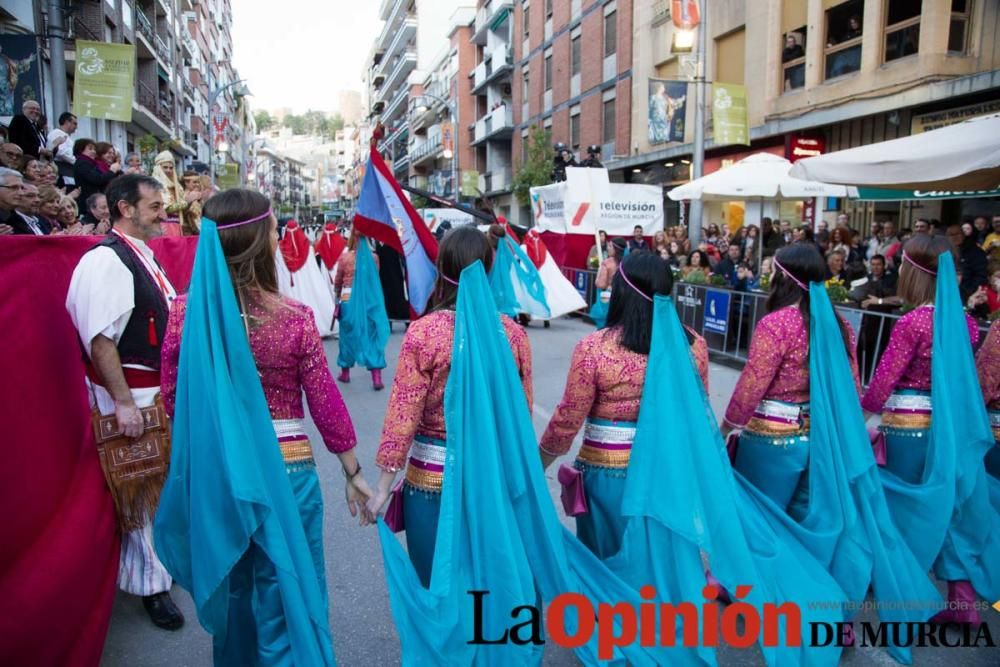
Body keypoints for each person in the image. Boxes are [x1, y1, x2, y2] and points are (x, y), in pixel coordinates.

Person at [158, 189, 369, 663]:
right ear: (259, 241)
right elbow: (325, 404)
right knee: (288, 591)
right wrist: (353, 473)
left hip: (220, 476)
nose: (278, 238)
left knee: (234, 587)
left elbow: (175, 402)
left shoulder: (185, 315)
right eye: (274, 230)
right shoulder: (294, 319)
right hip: (288, 476)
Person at [725, 243, 939, 659]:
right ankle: (827, 615)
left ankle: (768, 600)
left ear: (783, 278)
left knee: (762, 522)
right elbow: (851, 387)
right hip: (821, 444)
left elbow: (752, 385)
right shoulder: (841, 325)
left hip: (771, 439)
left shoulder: (776, 324)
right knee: (813, 526)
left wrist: (726, 427)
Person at [367, 226, 533, 586]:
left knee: (437, 587)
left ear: (441, 267)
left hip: (431, 481)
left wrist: (382, 487)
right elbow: (522, 416)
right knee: (485, 586)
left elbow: (403, 414)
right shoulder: (513, 335)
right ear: (489, 267)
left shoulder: (424, 333)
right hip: (493, 479)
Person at [64, 173, 184, 630]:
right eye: (154, 207)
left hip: (152, 390)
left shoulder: (138, 256)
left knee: (157, 487)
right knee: (139, 491)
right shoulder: (107, 262)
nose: (162, 214)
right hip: (133, 393)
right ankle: (150, 587)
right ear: (125, 210)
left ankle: (162, 571)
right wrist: (124, 404)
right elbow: (100, 342)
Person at [861, 234, 999, 625]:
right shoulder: (967, 324)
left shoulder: (911, 322)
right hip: (947, 431)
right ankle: (963, 600)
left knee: (899, 507)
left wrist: (857, 420)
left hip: (907, 428)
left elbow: (884, 381)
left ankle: (901, 585)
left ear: (914, 273)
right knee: (948, 506)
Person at [539, 252, 709, 558]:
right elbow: (698, 412)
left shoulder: (595, 347)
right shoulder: (694, 345)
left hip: (608, 476)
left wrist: (537, 465)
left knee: (609, 562)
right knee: (658, 563)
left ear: (621, 291)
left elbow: (568, 419)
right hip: (669, 472)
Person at [334, 231, 389, 390]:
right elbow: (374, 279)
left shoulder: (344, 258)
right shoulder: (373, 258)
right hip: (369, 301)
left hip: (348, 298)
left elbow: (338, 281)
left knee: (347, 335)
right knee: (372, 336)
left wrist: (337, 298)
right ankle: (376, 377)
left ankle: (345, 372)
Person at [945, 222, 988, 296]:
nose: (955, 237)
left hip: (967, 294)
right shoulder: (943, 252)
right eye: (951, 235)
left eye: (957, 234)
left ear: (963, 235)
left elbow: (981, 276)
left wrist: (967, 291)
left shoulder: (976, 252)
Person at [151, 151, 187, 237]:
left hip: (176, 225)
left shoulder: (177, 186)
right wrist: (185, 203)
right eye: (165, 167)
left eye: (171, 168)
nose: (168, 170)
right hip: (163, 225)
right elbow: (165, 208)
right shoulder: (154, 185)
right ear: (159, 168)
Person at [73, 138, 121, 203]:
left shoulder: (90, 163)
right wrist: (112, 171)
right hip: (89, 202)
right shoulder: (82, 163)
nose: (94, 151)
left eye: (94, 149)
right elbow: (97, 179)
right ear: (80, 150)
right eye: (90, 149)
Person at [46, 112, 77, 186]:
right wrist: (78, 162)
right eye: (75, 123)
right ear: (67, 122)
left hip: (69, 170)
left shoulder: (65, 136)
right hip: (62, 169)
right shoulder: (56, 133)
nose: (76, 127)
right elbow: (62, 152)